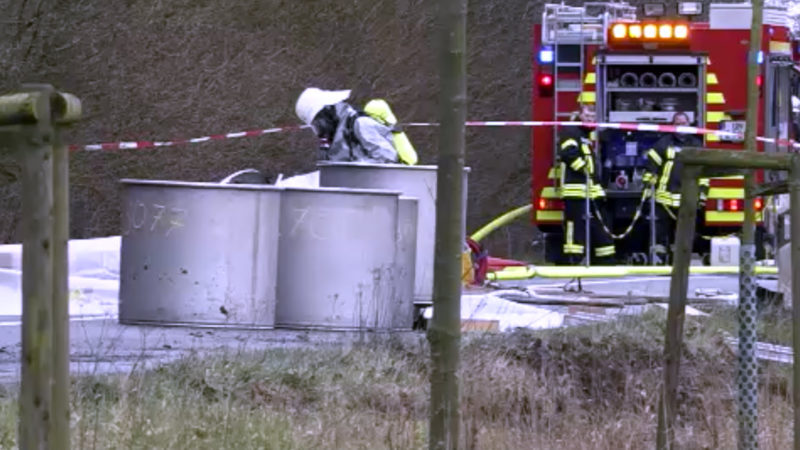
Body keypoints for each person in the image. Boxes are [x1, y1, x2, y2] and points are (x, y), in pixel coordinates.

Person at [295, 87, 417, 164]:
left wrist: (356, 167)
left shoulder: (361, 124)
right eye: (315, 125)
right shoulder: (337, 135)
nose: (320, 129)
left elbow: (388, 158)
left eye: (319, 122)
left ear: (328, 112)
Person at [557, 104, 616, 264]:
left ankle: (605, 261)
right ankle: (574, 260)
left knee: (598, 225)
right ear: (580, 116)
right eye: (588, 116)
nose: (591, 120)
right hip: (575, 191)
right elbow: (568, 155)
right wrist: (584, 170)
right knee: (576, 228)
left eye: (593, 118)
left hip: (588, 191)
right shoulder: (571, 132)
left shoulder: (584, 135)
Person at [643, 111, 703, 262]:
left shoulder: (696, 145)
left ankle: (680, 259)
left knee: (684, 231)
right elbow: (651, 165)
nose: (681, 126)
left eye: (684, 123)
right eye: (678, 123)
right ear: (672, 125)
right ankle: (660, 258)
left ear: (689, 125)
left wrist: (702, 195)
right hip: (664, 197)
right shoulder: (664, 143)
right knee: (661, 230)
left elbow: (703, 173)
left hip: (687, 197)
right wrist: (648, 187)